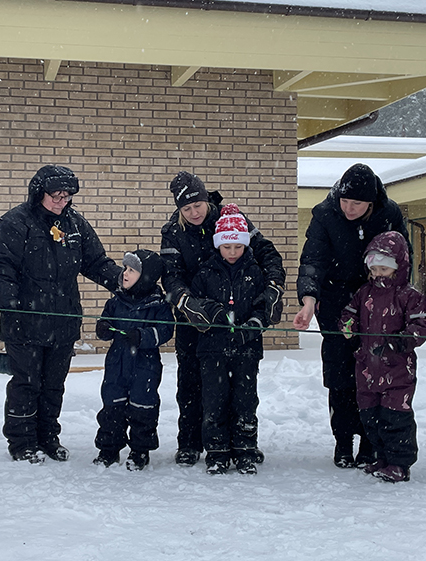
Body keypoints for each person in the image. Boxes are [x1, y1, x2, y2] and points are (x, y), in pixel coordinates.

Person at [0, 165, 122, 464]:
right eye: (56, 196)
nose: (62, 202)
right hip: (25, 319)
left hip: (64, 319)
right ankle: (22, 441)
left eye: (67, 197)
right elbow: (0, 267)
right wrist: (7, 300)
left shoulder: (75, 224)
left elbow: (96, 262)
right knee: (27, 383)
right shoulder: (13, 223)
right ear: (39, 193)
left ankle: (48, 437)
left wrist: (121, 281)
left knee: (53, 385)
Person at [160, 171, 285, 467]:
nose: (193, 213)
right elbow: (172, 275)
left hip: (240, 312)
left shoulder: (232, 218)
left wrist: (272, 289)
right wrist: (187, 302)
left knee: (240, 387)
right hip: (196, 317)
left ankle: (238, 444)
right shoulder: (173, 232)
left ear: (206, 199)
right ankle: (190, 442)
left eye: (197, 205)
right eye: (186, 208)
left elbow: (267, 254)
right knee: (192, 382)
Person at [293, 163, 410, 469]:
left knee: (375, 372)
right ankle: (343, 441)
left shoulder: (389, 214)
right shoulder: (325, 214)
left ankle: (371, 442)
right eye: (345, 201)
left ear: (371, 202)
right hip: (334, 301)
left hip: (379, 302)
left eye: (356, 203)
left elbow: (402, 257)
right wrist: (309, 300)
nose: (348, 208)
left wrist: (401, 302)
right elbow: (312, 260)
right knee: (340, 373)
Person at [339, 231, 426, 483]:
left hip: (397, 370)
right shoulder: (364, 293)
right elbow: (349, 313)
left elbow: (422, 325)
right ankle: (381, 456)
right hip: (367, 367)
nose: (379, 273)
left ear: (398, 267)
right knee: (371, 416)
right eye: (375, 268)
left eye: (385, 268)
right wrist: (347, 325)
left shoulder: (409, 295)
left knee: (395, 417)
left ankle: (399, 463)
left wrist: (398, 343)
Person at [189, 204, 270, 475]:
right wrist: (212, 311)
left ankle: (245, 449)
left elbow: (264, 306)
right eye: (227, 247)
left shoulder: (255, 272)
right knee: (215, 399)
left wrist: (255, 324)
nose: (233, 252)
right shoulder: (205, 272)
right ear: (218, 246)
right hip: (212, 349)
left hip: (247, 349)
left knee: (245, 400)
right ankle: (217, 450)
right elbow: (197, 302)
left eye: (238, 247)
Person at [93, 249, 174, 471]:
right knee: (112, 405)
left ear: (146, 276)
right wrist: (103, 328)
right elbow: (106, 320)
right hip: (117, 362)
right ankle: (108, 448)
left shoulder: (158, 304)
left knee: (143, 406)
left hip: (144, 364)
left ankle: (140, 450)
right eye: (125, 268)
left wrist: (142, 336)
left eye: (131, 270)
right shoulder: (116, 300)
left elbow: (165, 331)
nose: (125, 274)